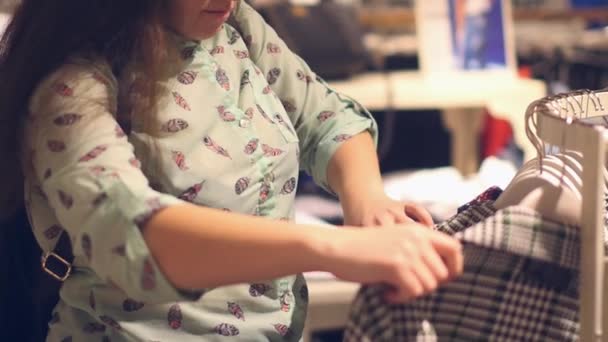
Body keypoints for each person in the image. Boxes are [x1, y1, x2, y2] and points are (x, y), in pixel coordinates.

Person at [0, 0, 464, 340]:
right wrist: (331, 247)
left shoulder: (235, 28)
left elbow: (326, 117)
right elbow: (130, 233)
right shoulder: (70, 87)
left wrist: (367, 202)